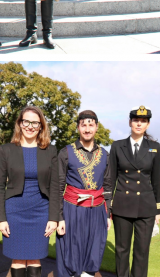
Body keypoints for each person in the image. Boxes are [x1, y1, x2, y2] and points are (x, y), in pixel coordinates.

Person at [0, 106, 59, 277]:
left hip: (40, 212)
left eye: (35, 123)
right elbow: (0, 186)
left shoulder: (51, 151)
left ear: (41, 126)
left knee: (34, 259)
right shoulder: (6, 150)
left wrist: (54, 218)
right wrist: (1, 219)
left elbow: (54, 186)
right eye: (26, 122)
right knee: (17, 260)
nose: (30, 126)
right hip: (14, 212)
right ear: (20, 124)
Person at [103, 106, 160, 277]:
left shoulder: (155, 147)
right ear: (130, 122)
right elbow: (111, 179)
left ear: (148, 125)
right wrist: (109, 208)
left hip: (146, 207)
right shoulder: (117, 146)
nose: (139, 124)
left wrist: (158, 210)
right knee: (122, 250)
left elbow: (156, 182)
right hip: (122, 205)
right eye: (136, 120)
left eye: (143, 121)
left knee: (142, 252)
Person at [55, 110, 111, 277]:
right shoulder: (65, 152)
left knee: (93, 253)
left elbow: (108, 186)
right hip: (72, 210)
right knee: (70, 253)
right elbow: (58, 186)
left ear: (96, 127)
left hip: (98, 211)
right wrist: (59, 217)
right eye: (83, 125)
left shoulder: (105, 155)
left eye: (90, 125)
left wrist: (108, 215)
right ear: (78, 127)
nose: (87, 129)